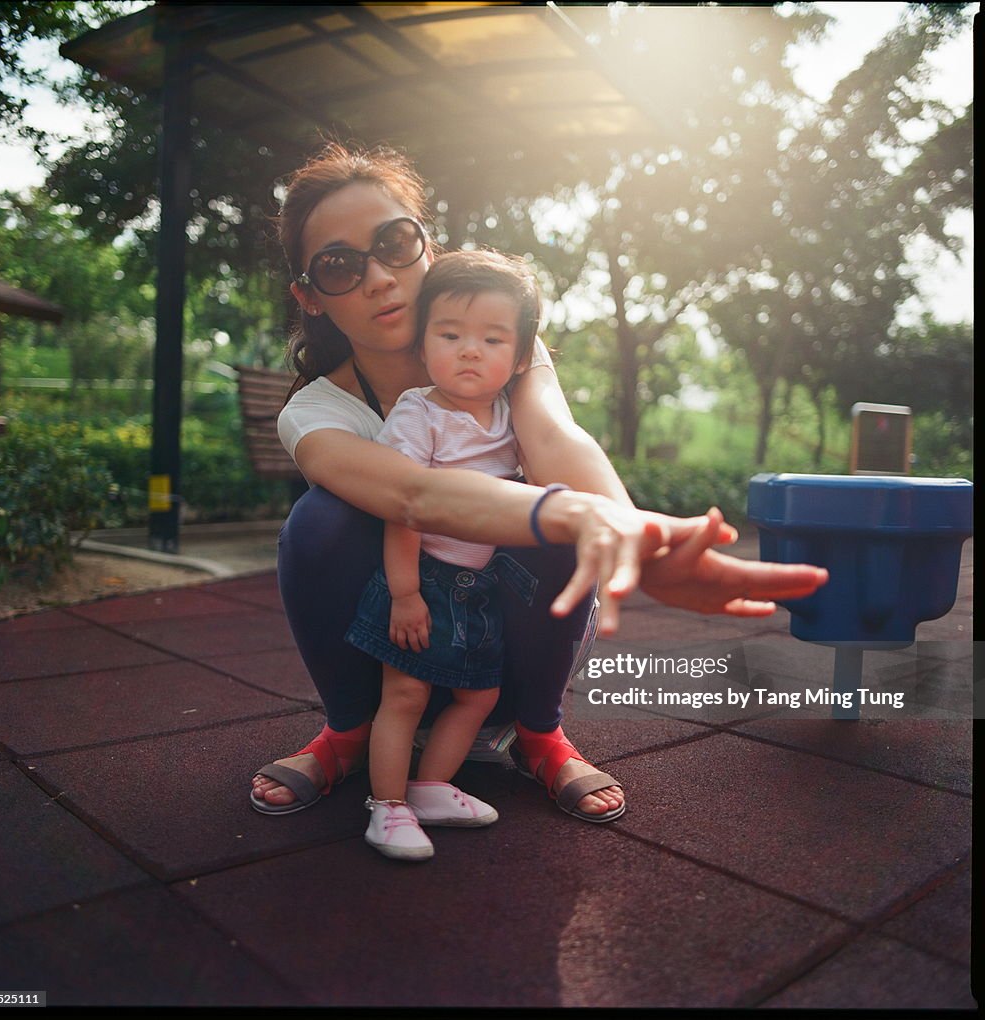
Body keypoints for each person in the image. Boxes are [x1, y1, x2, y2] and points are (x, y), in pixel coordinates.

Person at [249, 140, 828, 826]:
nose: (377, 276)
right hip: (392, 647)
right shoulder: (316, 411)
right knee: (321, 522)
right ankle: (348, 731)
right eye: (340, 266)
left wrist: (632, 532)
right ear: (309, 297)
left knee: (551, 524)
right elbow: (413, 494)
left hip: (499, 644)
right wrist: (578, 515)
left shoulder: (500, 343)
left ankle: (538, 732)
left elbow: (554, 439)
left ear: (427, 248)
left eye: (394, 242)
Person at [345, 249, 576, 860]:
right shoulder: (421, 412)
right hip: (421, 578)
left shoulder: (507, 417)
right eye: (450, 335)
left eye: (492, 339)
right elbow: (403, 505)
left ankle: (429, 788)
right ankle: (386, 807)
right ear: (424, 346)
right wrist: (404, 592)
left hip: (477, 587)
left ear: (521, 357)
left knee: (480, 696)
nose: (469, 350)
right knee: (405, 695)